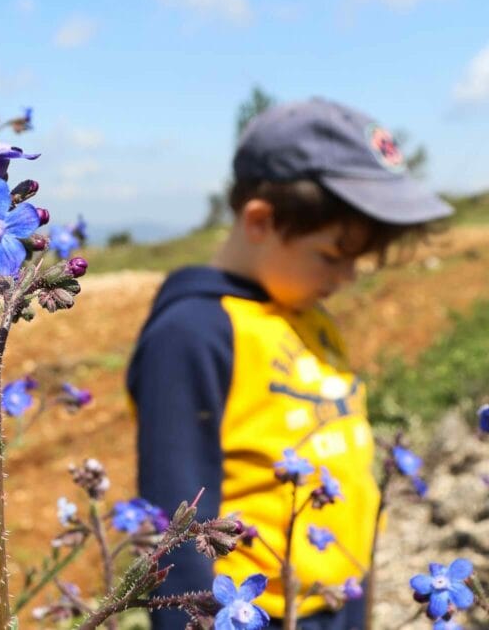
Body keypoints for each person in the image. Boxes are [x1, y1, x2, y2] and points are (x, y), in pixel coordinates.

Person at [126, 98, 452, 629]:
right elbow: (177, 527)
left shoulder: (310, 316)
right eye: (333, 254)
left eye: (359, 259)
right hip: (254, 613)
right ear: (261, 220)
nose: (347, 276)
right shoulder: (194, 334)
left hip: (335, 598)